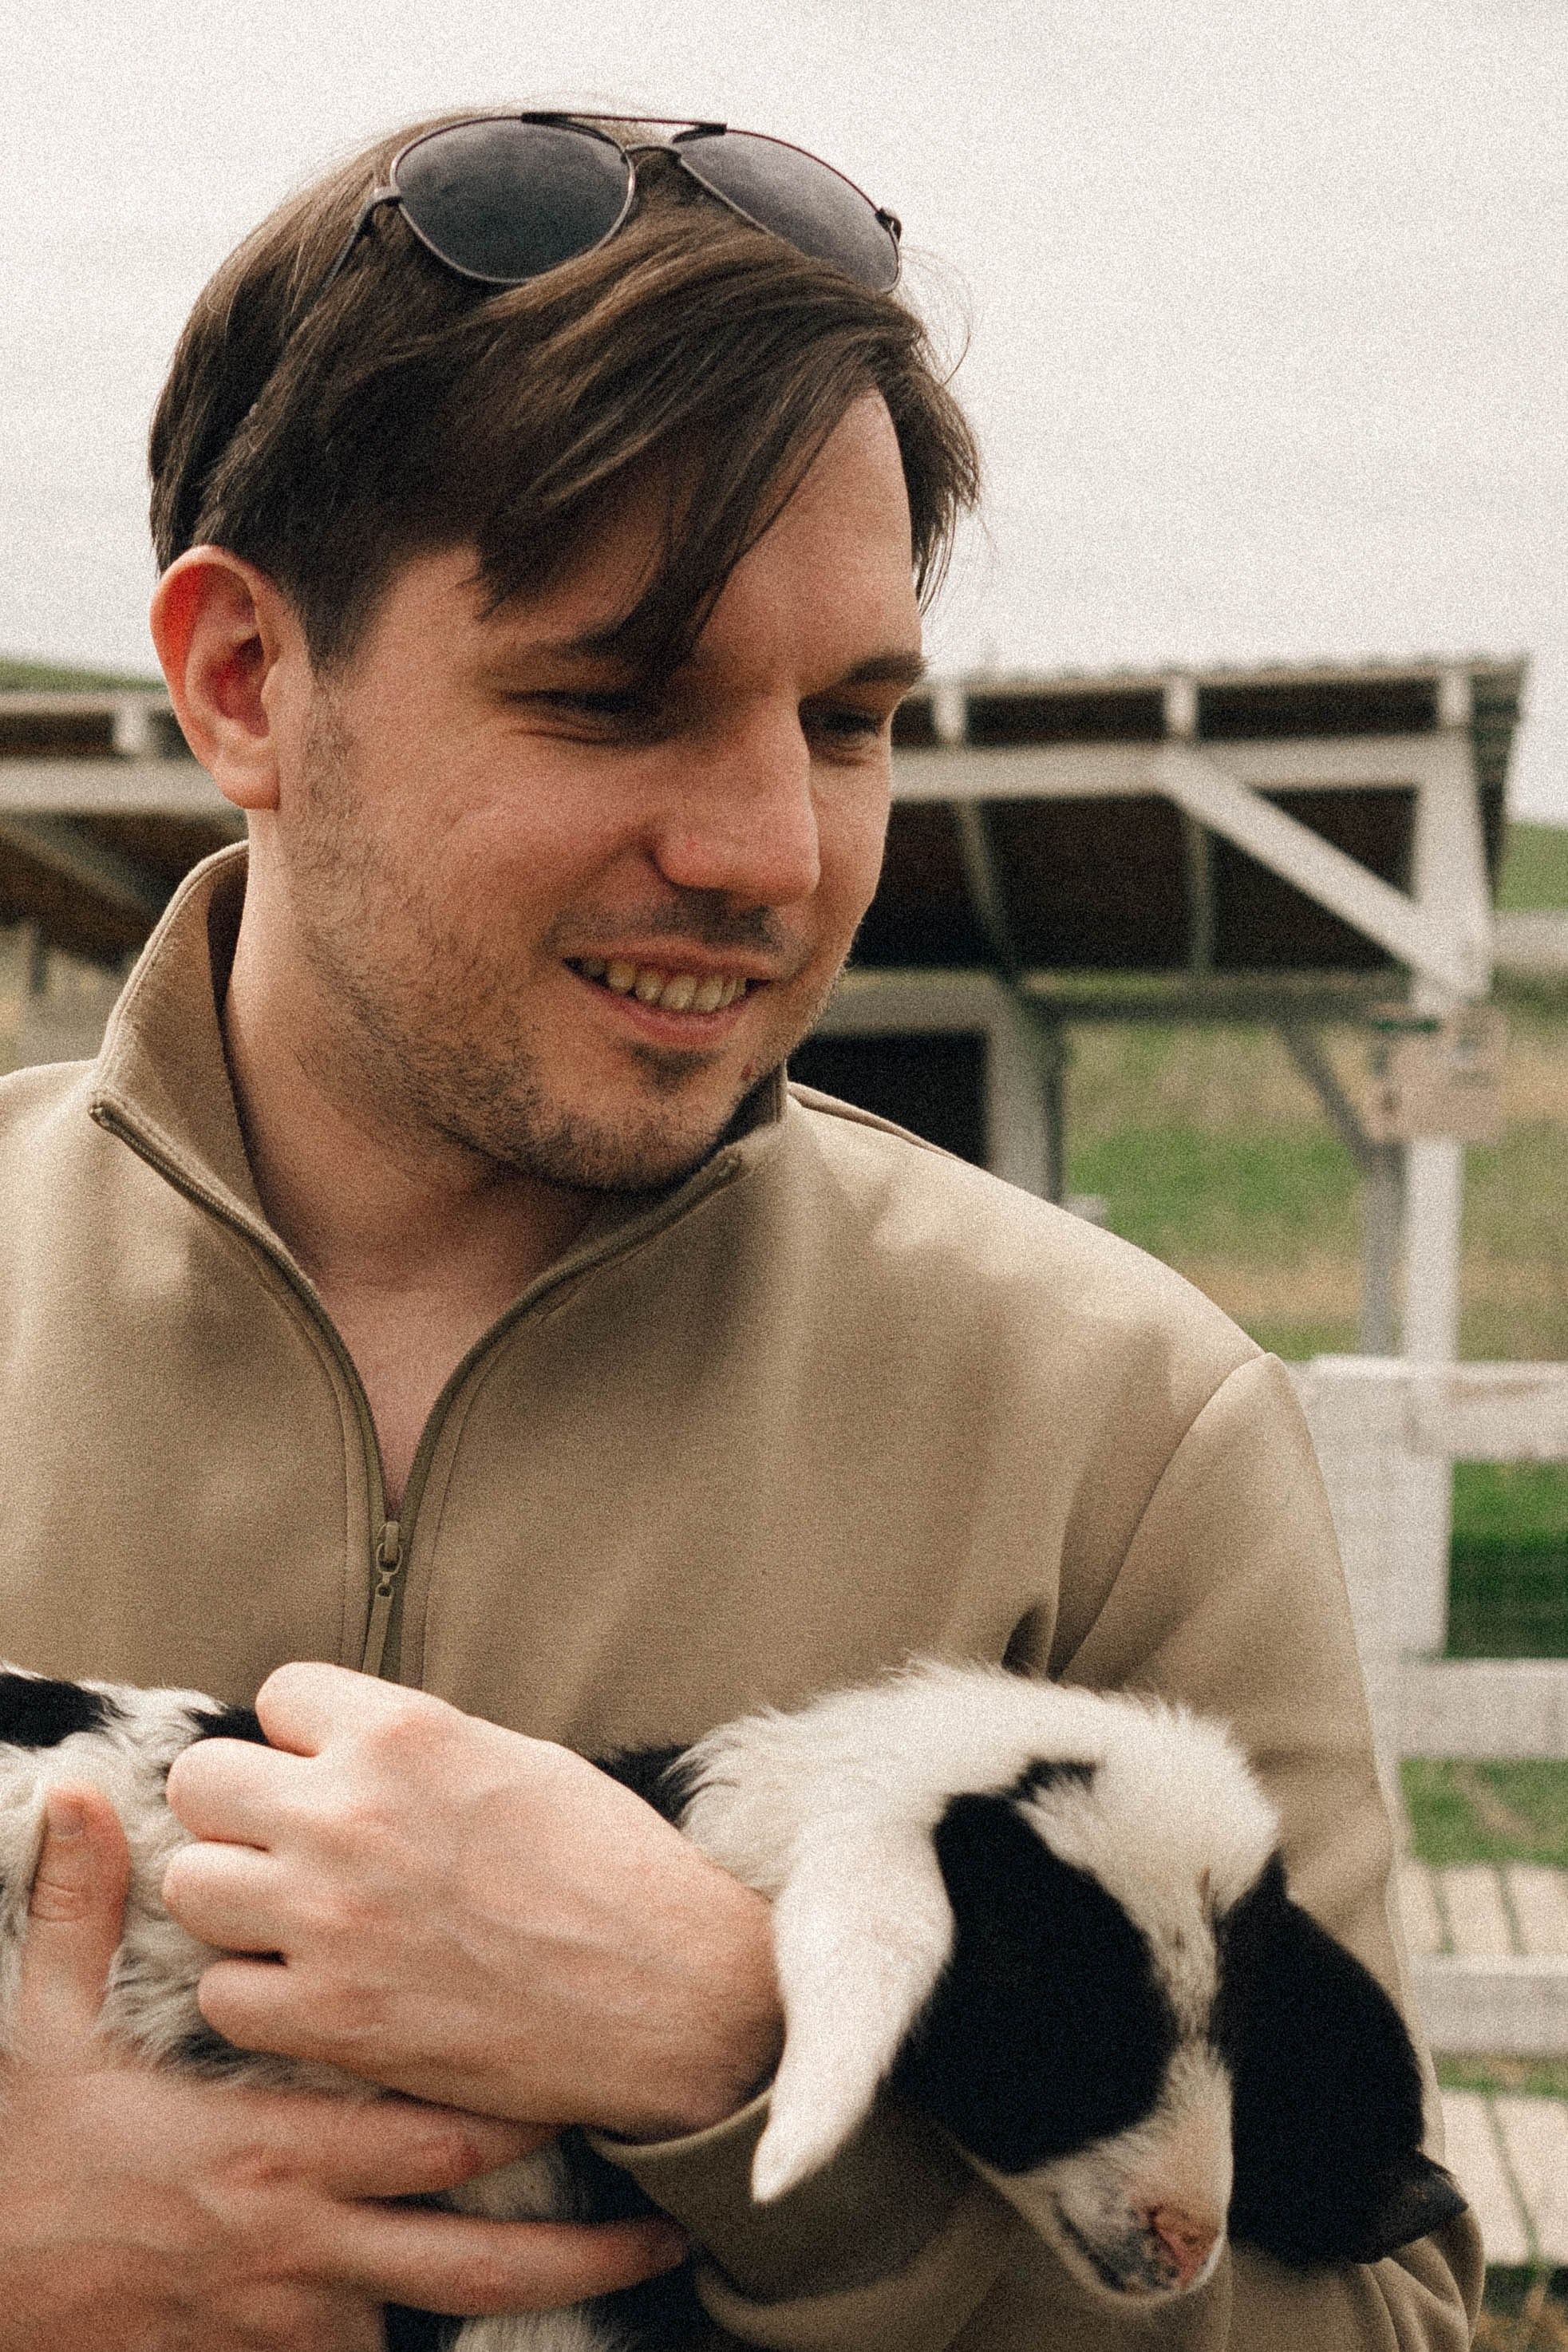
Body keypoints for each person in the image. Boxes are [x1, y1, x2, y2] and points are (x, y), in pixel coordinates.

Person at [0, 109, 1479, 2352]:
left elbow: (1381, 2316)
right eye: (619, 698)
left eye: (852, 719)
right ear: (240, 682)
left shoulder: (1123, 1428)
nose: (773, 849)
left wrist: (741, 2057)